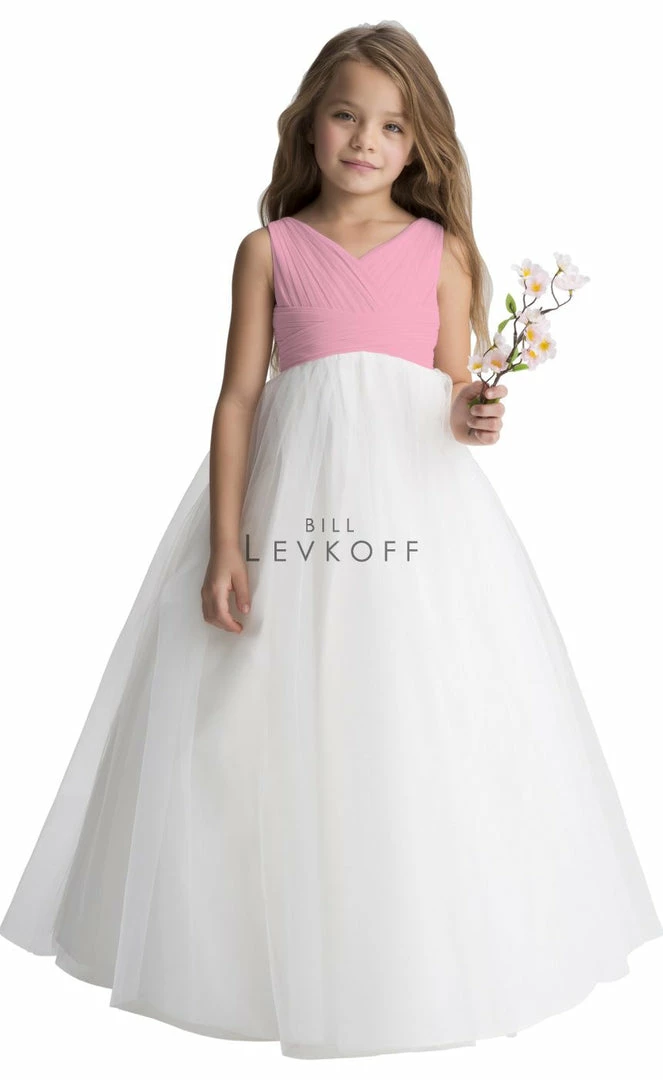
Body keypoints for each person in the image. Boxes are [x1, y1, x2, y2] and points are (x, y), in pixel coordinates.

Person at [1, 20, 661, 1061]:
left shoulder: (442, 252)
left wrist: (478, 412)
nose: (366, 140)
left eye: (392, 126)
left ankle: (404, 960)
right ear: (310, 123)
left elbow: (451, 389)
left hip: (414, 529)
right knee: (256, 724)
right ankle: (259, 959)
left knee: (410, 717)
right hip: (288, 522)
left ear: (418, 142)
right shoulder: (269, 250)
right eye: (347, 116)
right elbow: (238, 399)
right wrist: (227, 546)